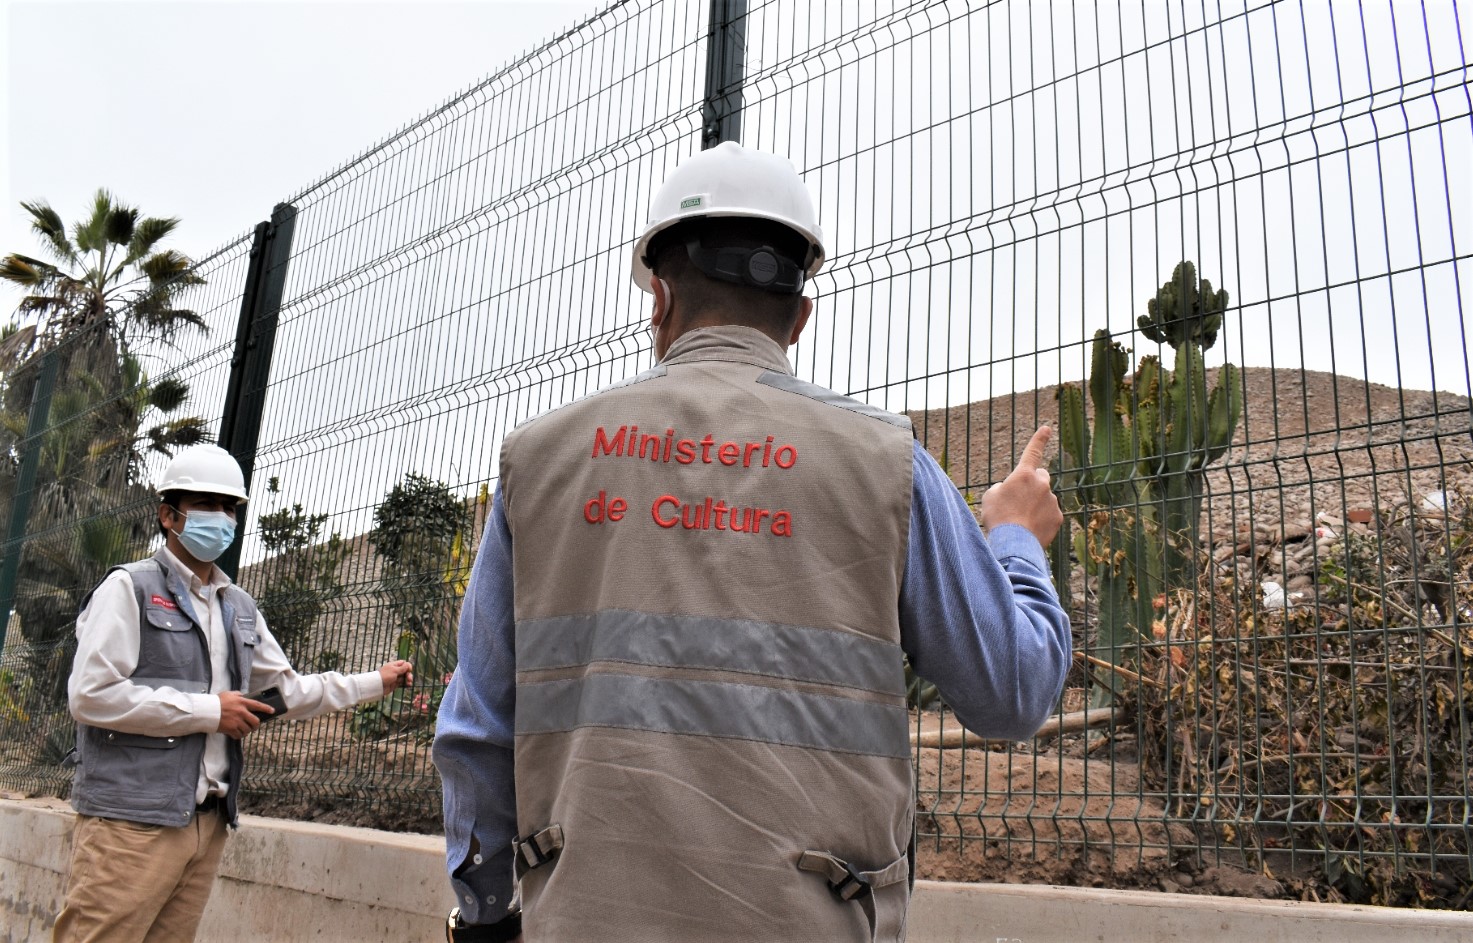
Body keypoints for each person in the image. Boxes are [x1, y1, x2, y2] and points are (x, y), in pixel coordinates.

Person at [433, 142, 1070, 942]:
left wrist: (487, 914)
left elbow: (476, 731)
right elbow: (1011, 690)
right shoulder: (886, 462)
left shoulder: (539, 456)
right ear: (799, 316)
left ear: (657, 298)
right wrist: (1013, 538)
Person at [53, 444, 414, 943]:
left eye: (229, 508)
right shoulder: (128, 588)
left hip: (206, 826)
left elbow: (288, 691)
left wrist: (375, 681)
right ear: (168, 515)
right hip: (130, 825)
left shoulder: (238, 606)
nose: (221, 519)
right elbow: (91, 696)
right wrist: (208, 711)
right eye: (207, 505)